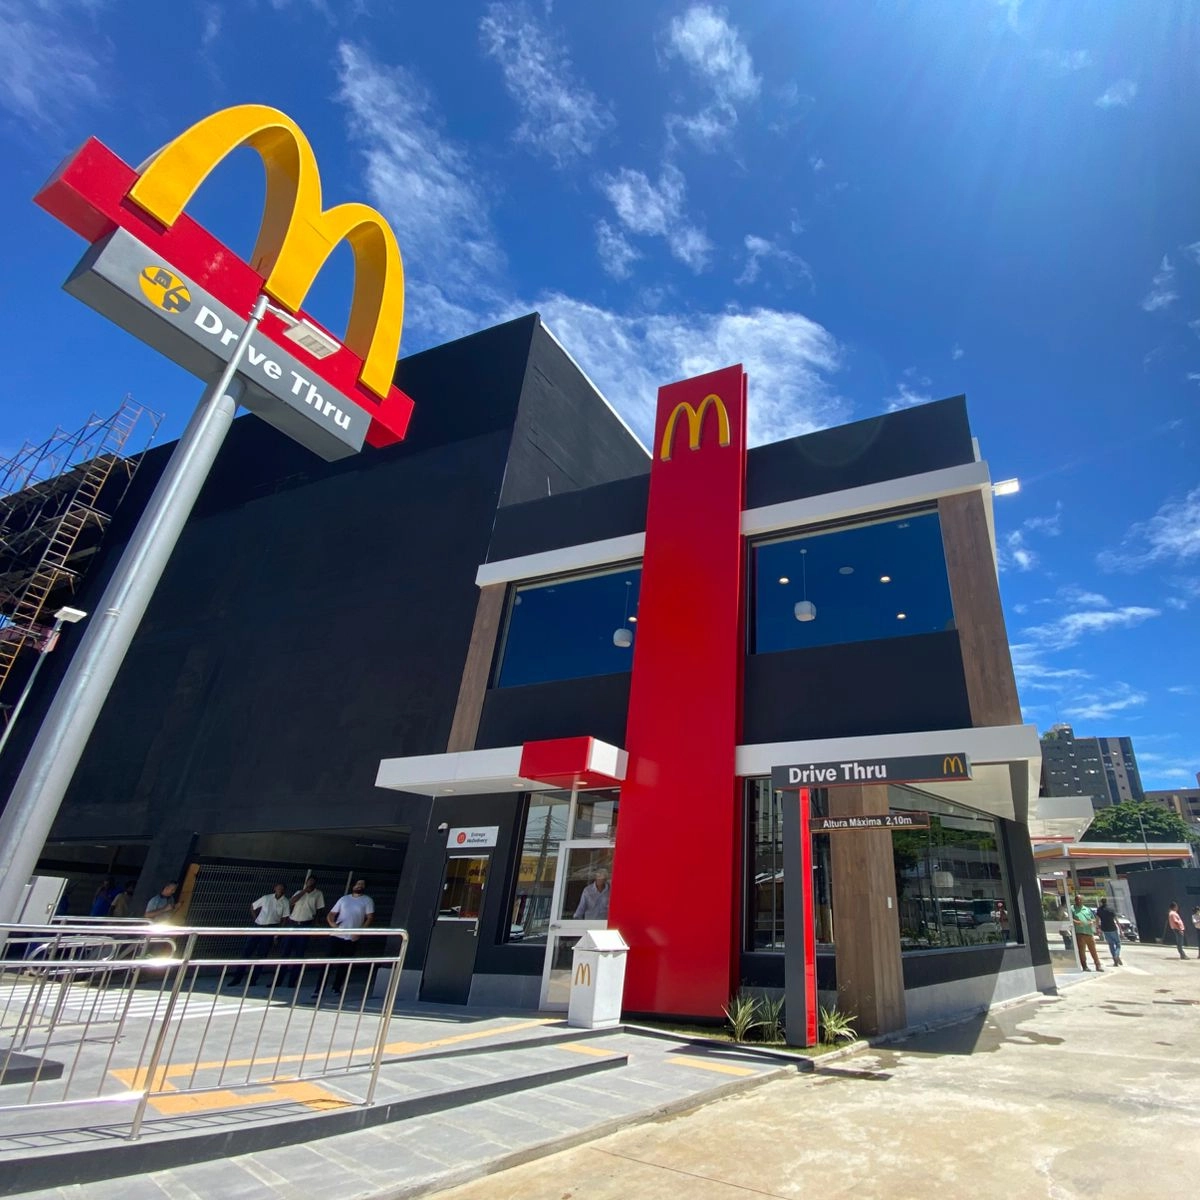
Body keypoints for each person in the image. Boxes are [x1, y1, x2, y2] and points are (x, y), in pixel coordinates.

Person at [312, 879, 374, 999]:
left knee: (344, 964)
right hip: (337, 935)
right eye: (358, 884)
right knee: (327, 963)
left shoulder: (367, 900)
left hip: (352, 937)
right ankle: (318, 989)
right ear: (353, 886)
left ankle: (336, 987)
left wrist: (360, 932)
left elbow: (370, 917)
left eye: (362, 884)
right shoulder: (344, 899)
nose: (359, 886)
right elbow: (331, 914)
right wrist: (332, 924)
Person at [227, 883, 291, 987]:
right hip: (259, 925)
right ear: (275, 888)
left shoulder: (285, 902)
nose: (280, 889)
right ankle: (237, 978)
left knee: (262, 954)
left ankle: (253, 980)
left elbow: (285, 918)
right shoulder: (266, 898)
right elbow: (253, 906)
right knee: (247, 952)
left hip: (272, 927)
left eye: (282, 888)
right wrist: (256, 919)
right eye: (278, 887)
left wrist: (278, 933)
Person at [281, 876, 326, 987]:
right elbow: (290, 902)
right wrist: (304, 891)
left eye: (312, 882)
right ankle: (278, 980)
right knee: (285, 952)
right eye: (308, 882)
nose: (310, 883)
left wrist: (316, 925)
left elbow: (320, 909)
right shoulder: (299, 892)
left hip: (306, 923)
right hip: (293, 923)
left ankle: (292, 981)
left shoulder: (318, 894)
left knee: (299, 953)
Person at [1071, 895, 1103, 972]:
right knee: (1081, 951)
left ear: (1082, 900)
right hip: (1079, 933)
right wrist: (1077, 922)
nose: (1078, 901)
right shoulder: (1072, 909)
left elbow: (1093, 918)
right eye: (1076, 900)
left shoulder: (1087, 909)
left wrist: (1092, 922)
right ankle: (1084, 966)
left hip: (1089, 933)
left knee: (1093, 950)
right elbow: (1070, 919)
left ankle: (1098, 965)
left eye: (1079, 899)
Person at [1095, 899, 1123, 967]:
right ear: (1106, 902)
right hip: (1113, 928)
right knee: (1118, 943)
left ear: (1101, 902)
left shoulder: (1099, 910)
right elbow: (1116, 920)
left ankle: (1114, 959)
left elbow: (1097, 920)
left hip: (1105, 929)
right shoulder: (1111, 909)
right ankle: (1116, 956)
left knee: (1111, 944)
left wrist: (1098, 928)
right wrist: (1121, 930)